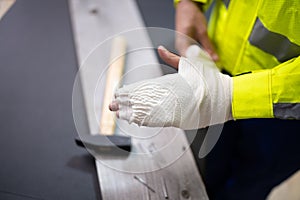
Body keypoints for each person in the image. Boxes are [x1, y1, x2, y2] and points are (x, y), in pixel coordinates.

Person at [110, 0, 300, 199]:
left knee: (250, 182)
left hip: (287, 112)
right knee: (214, 164)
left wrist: (229, 95)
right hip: (220, 66)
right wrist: (190, 2)